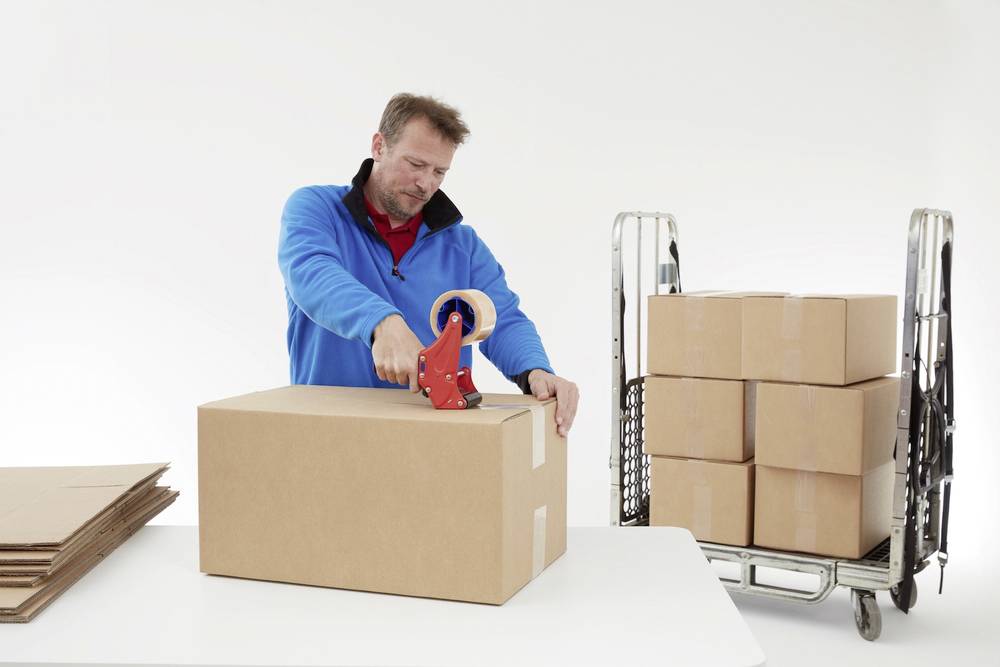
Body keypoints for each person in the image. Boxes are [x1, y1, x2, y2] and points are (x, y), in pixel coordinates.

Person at [278, 93, 579, 436]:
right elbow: (311, 272)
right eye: (416, 165)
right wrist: (382, 323)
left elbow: (502, 318)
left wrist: (536, 370)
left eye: (439, 171)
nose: (427, 184)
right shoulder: (316, 208)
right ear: (379, 146)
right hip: (326, 431)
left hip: (431, 441)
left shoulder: (462, 245)